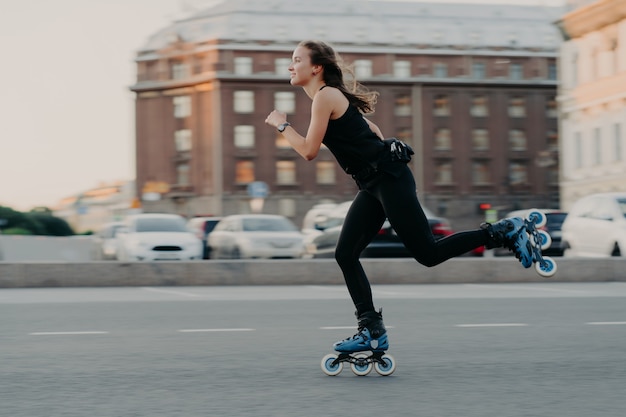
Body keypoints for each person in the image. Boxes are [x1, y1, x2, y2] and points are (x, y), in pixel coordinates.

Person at [265, 40, 531, 354]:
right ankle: (371, 329)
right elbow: (372, 129)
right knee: (345, 254)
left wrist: (282, 125)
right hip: (373, 184)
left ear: (316, 67)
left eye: (296, 59)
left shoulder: (325, 96)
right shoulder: (330, 99)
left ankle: (504, 232)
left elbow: (309, 150)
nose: (290, 66)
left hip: (389, 180)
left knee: (428, 254)